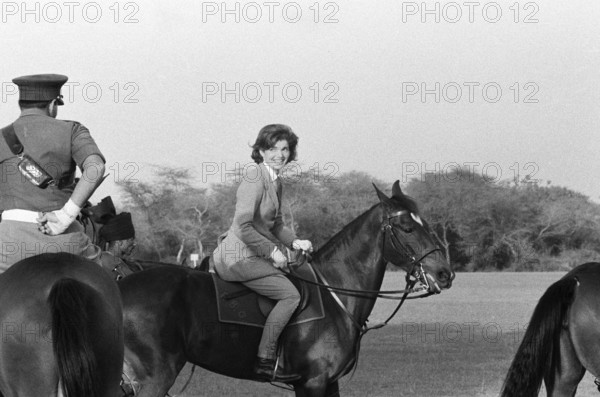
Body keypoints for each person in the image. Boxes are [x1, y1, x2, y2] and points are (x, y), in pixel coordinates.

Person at [213, 124, 313, 383]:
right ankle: (265, 360)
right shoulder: (254, 178)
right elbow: (243, 226)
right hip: (236, 257)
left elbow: (277, 224)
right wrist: (272, 252)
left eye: (284, 149)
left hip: (254, 255)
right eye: (272, 149)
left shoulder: (276, 182)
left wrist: (295, 242)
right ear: (260, 150)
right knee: (291, 295)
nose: (279, 155)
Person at [0, 74, 106, 272]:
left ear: (21, 104)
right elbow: (96, 167)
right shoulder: (72, 130)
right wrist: (66, 216)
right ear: (52, 104)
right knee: (105, 287)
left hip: (9, 245)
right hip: (65, 241)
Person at [97, 212, 139, 280]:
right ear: (120, 242)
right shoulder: (105, 264)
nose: (134, 244)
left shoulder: (117, 262)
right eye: (131, 240)